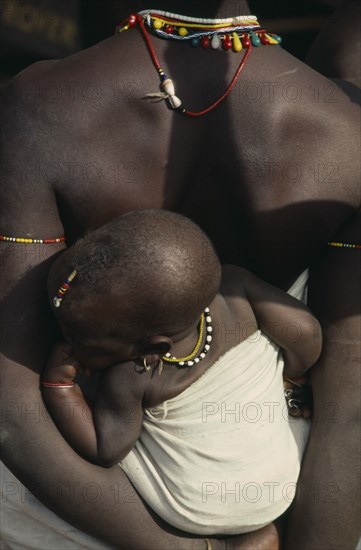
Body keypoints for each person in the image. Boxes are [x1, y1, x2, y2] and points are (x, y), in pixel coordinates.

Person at [1, 1, 360, 548]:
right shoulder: (345, 126)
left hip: (75, 518)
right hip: (265, 481)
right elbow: (347, 406)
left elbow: (12, 408)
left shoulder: (43, 103)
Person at [41, 209, 320, 536]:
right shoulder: (237, 287)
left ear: (152, 349)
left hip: (198, 507)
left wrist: (58, 385)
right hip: (281, 483)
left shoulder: (132, 375)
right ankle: (259, 532)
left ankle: (232, 542)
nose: (64, 340)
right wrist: (294, 374)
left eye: (76, 336)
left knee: (106, 428)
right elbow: (307, 333)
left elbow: (106, 448)